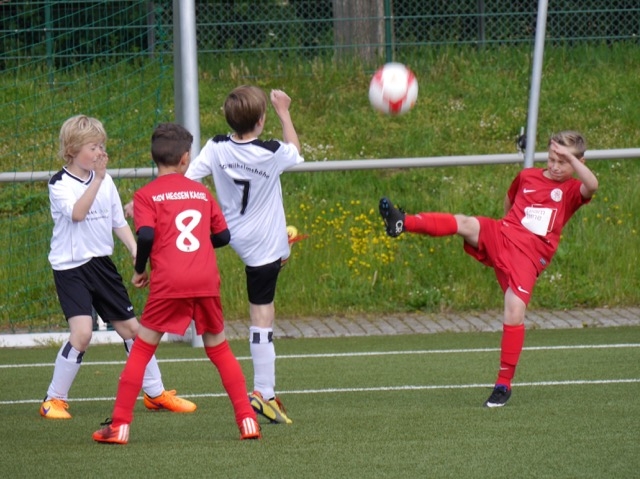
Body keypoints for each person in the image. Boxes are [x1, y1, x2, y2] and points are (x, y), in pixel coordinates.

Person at [378, 130, 598, 407]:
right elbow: (510, 200)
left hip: (529, 256)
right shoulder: (527, 176)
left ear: (578, 162)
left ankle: (503, 385)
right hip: (504, 234)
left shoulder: (571, 190)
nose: (555, 166)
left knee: (514, 311)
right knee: (466, 223)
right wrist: (507, 225)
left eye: (563, 162)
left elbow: (592, 185)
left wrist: (571, 160)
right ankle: (402, 222)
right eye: (552, 158)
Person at [93, 123, 260, 444]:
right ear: (185, 159)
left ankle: (120, 425)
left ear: (154, 158)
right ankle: (248, 421)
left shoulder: (146, 195)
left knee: (142, 349)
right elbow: (223, 236)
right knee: (220, 349)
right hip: (205, 279)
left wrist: (140, 269)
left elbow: (145, 235)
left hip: (170, 280)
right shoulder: (201, 192)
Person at [41, 115, 196, 420]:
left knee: (134, 331)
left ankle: (155, 393)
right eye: (93, 147)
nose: (100, 152)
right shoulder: (60, 184)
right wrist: (98, 180)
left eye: (101, 146)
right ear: (72, 150)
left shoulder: (106, 181)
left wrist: (137, 252)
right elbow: (77, 214)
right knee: (82, 334)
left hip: (102, 265)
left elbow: (118, 221)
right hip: (71, 268)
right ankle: (53, 399)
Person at [186, 86, 304, 424]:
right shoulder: (270, 151)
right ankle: (263, 392)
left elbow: (191, 179)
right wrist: (285, 111)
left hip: (234, 234)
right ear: (261, 120)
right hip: (264, 244)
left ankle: (283, 247)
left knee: (275, 265)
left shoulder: (216, 146)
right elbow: (296, 151)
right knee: (263, 314)